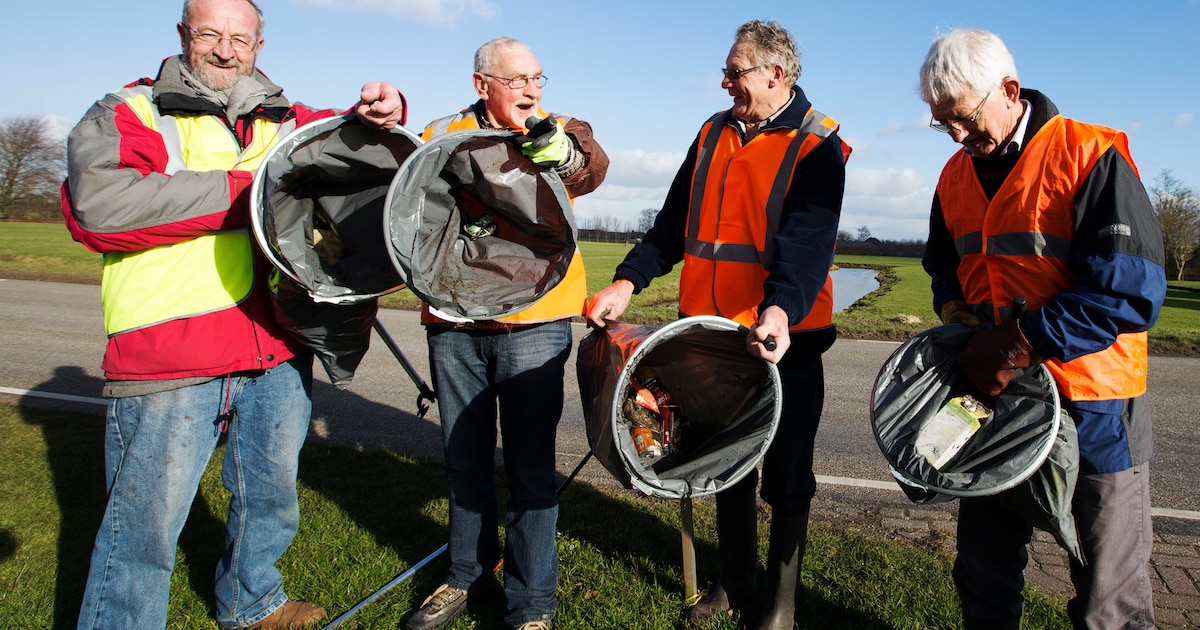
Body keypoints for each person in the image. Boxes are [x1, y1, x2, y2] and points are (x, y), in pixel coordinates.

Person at [61, 0, 406, 628]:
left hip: (276, 346)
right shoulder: (129, 111)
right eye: (210, 34)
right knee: (144, 525)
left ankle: (253, 605)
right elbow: (99, 208)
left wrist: (386, 108)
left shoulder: (286, 120)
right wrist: (245, 193)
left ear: (259, 43)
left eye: (239, 39)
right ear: (182, 36)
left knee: (269, 500)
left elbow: (350, 138)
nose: (225, 50)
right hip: (170, 350)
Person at [586, 19, 849, 630]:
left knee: (786, 475)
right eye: (727, 71)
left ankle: (779, 608)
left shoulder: (819, 146)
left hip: (785, 341)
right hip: (708, 336)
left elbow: (806, 246)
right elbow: (672, 223)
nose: (724, 81)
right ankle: (734, 584)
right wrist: (627, 281)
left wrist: (778, 310)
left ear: (776, 75)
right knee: (726, 465)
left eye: (736, 71)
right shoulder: (710, 132)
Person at [918, 29, 1165, 630]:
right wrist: (961, 327)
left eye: (963, 117)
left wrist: (1017, 344)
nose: (955, 135)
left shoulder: (1090, 154)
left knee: (1109, 592)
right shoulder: (954, 176)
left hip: (1095, 405)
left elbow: (1128, 292)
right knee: (983, 568)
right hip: (996, 400)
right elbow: (945, 270)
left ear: (1009, 89)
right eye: (940, 122)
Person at [403, 37, 608, 630]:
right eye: (517, 80)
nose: (532, 91)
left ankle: (531, 603)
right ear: (481, 85)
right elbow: (411, 203)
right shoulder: (442, 132)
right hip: (455, 319)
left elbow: (587, 166)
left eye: (537, 79)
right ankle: (465, 575)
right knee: (462, 460)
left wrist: (561, 154)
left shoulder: (562, 127)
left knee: (529, 466)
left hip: (535, 324)